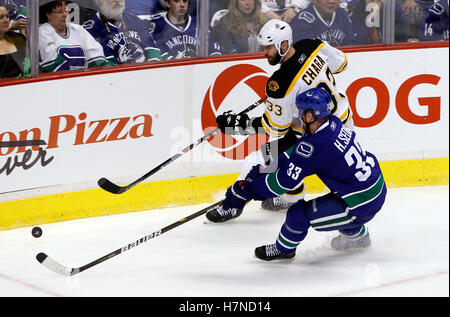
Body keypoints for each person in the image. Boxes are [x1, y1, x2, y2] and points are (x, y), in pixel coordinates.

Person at [212, 88, 387, 260]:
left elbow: (281, 183)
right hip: (373, 185)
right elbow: (293, 153)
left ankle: (284, 250)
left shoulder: (315, 146)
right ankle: (358, 237)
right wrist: (262, 170)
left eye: (302, 113)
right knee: (332, 207)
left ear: (310, 116)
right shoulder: (332, 122)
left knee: (298, 214)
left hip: (361, 203)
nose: (300, 118)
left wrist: (247, 189)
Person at [206, 19, 354, 221]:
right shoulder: (312, 44)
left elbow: (275, 127)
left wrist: (237, 125)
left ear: (284, 45)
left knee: (258, 159)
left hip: (317, 138)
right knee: (299, 158)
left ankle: (233, 204)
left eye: (269, 47)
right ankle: (292, 197)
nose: (264, 52)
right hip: (343, 121)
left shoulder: (280, 84)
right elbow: (342, 63)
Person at [82, 0, 167, 65]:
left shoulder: (134, 20)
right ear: (101, 1)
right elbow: (103, 65)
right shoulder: (91, 29)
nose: (117, 1)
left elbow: (153, 51)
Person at [39, 0, 110, 72]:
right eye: (60, 12)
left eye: (66, 10)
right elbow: (51, 62)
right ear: (48, 14)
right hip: (59, 81)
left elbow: (96, 58)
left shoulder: (78, 29)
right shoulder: (43, 32)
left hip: (85, 80)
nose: (65, 14)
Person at [149, 0, 221, 59]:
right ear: (167, 3)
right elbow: (157, 53)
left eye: (185, 1)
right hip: (171, 70)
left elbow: (214, 49)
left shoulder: (198, 23)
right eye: (176, 1)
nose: (182, 5)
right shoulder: (158, 25)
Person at [289, 0, 356, 46]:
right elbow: (304, 51)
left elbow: (350, 44)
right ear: (314, 0)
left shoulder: (342, 14)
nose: (331, 1)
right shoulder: (303, 20)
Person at [0, 4, 27, 78]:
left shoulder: (19, 39)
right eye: (1, 17)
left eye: (7, 17)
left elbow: (29, 67)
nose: (6, 20)